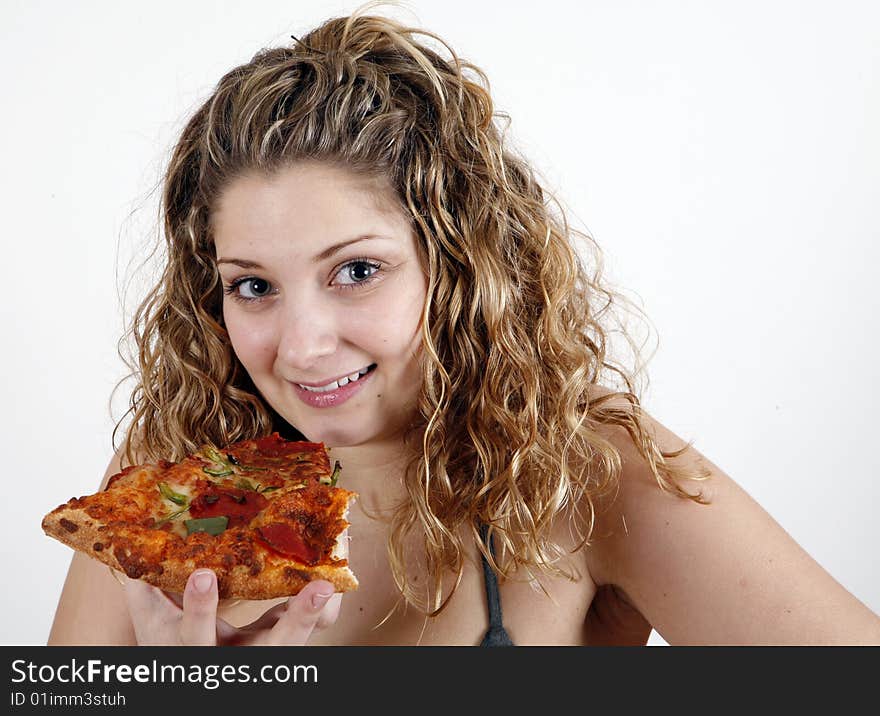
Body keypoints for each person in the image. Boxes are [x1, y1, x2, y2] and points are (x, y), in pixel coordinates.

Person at [47, 8, 880, 646]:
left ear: (461, 263)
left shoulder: (583, 477)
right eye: (253, 285)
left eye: (358, 272)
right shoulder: (170, 481)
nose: (299, 346)